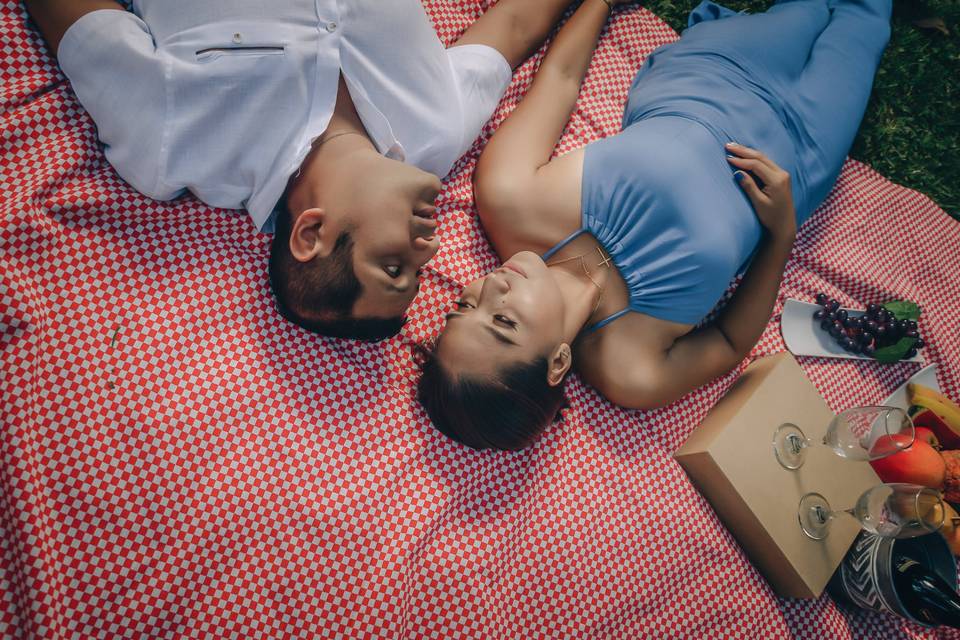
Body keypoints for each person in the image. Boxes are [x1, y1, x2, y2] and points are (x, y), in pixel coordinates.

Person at [419, 0, 892, 449]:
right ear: (558, 361)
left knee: (807, 12)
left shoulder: (509, 198)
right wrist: (781, 234)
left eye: (464, 305)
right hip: (803, 154)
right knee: (866, 26)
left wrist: (601, 2)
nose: (488, 287)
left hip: (715, 73)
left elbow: (561, 79)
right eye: (503, 319)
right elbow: (729, 343)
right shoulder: (632, 371)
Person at [23, 0, 581, 340]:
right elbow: (511, 26)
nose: (429, 250)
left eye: (393, 265)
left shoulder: (177, 143)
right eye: (419, 271)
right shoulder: (436, 136)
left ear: (310, 232)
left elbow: (76, 19)